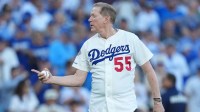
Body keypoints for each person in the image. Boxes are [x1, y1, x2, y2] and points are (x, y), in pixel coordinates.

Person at [32, 2, 164, 112]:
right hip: (98, 107)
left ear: (106, 18)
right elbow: (78, 79)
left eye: (93, 16)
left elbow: (149, 71)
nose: (89, 19)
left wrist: (157, 102)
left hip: (125, 107)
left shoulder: (130, 39)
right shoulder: (88, 45)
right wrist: (52, 79)